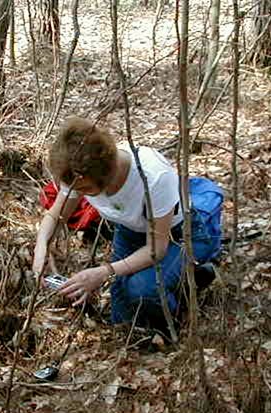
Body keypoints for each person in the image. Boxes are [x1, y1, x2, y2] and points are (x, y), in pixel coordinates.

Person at [32, 117, 223, 332]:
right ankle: (178, 279)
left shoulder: (152, 177)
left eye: (85, 190)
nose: (79, 194)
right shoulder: (77, 172)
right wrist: (41, 248)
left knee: (143, 290)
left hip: (178, 233)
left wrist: (103, 272)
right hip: (132, 230)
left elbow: (156, 249)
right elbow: (55, 216)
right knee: (122, 317)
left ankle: (185, 295)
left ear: (106, 176)